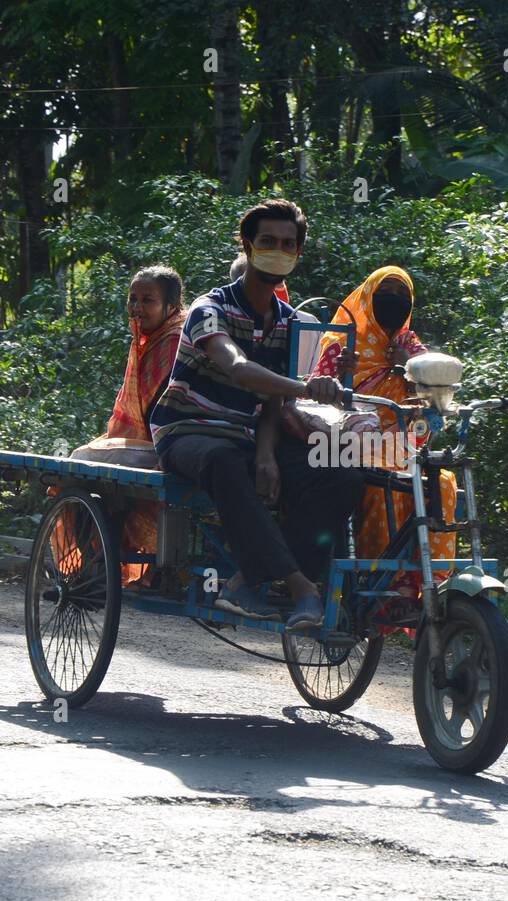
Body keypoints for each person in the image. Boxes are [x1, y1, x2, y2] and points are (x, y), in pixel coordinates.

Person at [151, 199, 363, 629]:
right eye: (267, 241)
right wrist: (306, 387)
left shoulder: (289, 322)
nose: (278, 250)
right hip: (187, 429)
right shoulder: (208, 309)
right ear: (247, 246)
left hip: (246, 435)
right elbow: (239, 370)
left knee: (341, 470)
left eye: (288, 244)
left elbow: (271, 402)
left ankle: (245, 581)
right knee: (225, 461)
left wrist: (267, 453)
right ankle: (304, 588)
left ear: (297, 254)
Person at [314, 265, 458, 615]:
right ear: (368, 297)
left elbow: (435, 387)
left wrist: (408, 366)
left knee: (444, 484)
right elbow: (314, 398)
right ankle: (378, 588)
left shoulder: (408, 344)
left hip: (404, 447)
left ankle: (428, 584)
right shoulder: (342, 341)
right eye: (385, 294)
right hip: (349, 447)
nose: (393, 303)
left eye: (401, 296)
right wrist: (339, 375)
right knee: (383, 490)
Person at [67, 265, 186, 586]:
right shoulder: (154, 338)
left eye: (148, 300)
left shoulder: (172, 341)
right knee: (95, 468)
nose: (137, 307)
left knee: (77, 462)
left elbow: (159, 409)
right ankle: (101, 561)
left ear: (171, 307)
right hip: (157, 443)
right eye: (133, 299)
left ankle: (96, 565)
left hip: (163, 446)